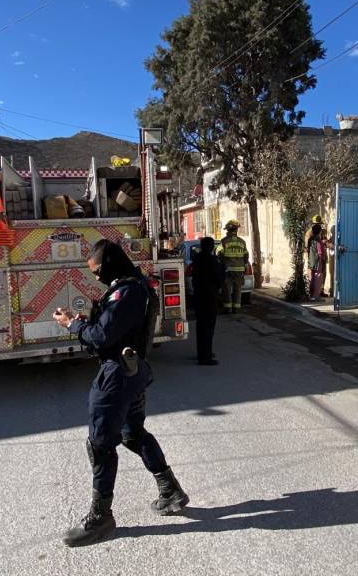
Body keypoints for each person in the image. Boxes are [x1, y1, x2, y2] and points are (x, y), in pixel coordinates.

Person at [52, 240, 189, 547]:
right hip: (133, 370)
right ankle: (170, 490)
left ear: (111, 263)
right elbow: (112, 329)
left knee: (100, 444)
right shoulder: (131, 285)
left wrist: (73, 324)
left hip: (117, 375)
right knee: (132, 434)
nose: (97, 276)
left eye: (98, 270)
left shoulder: (127, 291)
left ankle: (100, 519)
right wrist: (91, 321)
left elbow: (102, 337)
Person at [190, 236, 223, 365]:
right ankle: (205, 357)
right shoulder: (212, 260)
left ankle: (202, 353)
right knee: (208, 326)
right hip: (209, 296)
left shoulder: (197, 258)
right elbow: (217, 278)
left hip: (198, 295)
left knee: (201, 325)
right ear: (211, 247)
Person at [216, 219, 249, 314]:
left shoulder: (224, 241)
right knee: (238, 289)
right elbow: (246, 255)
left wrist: (223, 263)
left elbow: (218, 253)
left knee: (227, 289)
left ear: (229, 231)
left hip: (228, 270)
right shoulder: (242, 242)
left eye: (227, 230)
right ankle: (236, 308)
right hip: (239, 270)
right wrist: (244, 266)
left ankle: (228, 308)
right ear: (236, 230)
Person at [307, 223, 328, 301]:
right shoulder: (318, 240)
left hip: (311, 261)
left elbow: (308, 250)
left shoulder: (310, 239)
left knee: (312, 278)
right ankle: (315, 296)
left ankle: (311, 295)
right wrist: (323, 260)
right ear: (319, 231)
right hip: (317, 261)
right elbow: (320, 253)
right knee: (318, 278)